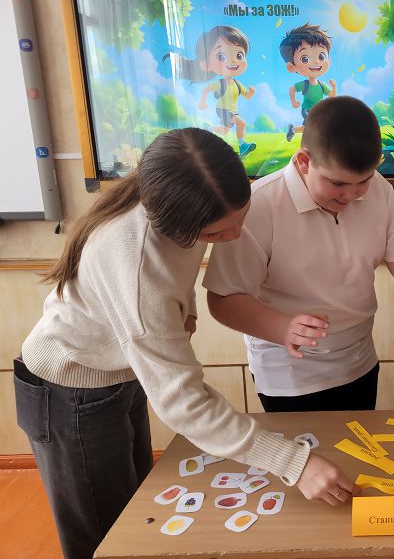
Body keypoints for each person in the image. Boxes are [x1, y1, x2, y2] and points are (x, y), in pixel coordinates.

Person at [14, 128, 355, 559]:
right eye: (216, 234)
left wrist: (185, 308)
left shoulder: (177, 203)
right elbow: (185, 405)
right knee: (105, 540)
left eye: (241, 218)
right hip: (69, 391)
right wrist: (294, 463)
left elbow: (177, 267)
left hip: (117, 373)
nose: (234, 237)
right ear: (172, 224)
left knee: (133, 512)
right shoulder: (136, 266)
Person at [203, 96, 394, 413]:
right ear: (304, 161)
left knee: (357, 441)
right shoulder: (258, 206)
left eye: (363, 181)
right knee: (308, 446)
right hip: (289, 372)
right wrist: (282, 327)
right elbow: (224, 299)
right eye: (337, 183)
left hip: (359, 360)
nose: (351, 195)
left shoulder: (378, 190)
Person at [168, 25, 257, 157]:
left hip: (233, 110)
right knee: (241, 123)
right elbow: (207, 89)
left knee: (225, 131)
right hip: (223, 109)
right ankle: (242, 145)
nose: (233, 60)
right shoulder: (220, 83)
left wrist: (251, 92)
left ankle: (208, 129)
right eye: (221, 56)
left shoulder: (238, 84)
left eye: (239, 55)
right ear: (207, 65)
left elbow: (247, 95)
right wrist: (202, 102)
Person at [280, 23, 336, 142]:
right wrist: (293, 101)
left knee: (308, 127)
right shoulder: (305, 84)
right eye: (305, 59)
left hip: (319, 111)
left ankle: (293, 130)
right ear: (292, 67)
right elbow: (292, 89)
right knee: (315, 126)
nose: (316, 62)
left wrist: (334, 87)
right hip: (307, 110)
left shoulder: (321, 85)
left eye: (321, 56)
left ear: (328, 61)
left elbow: (331, 95)